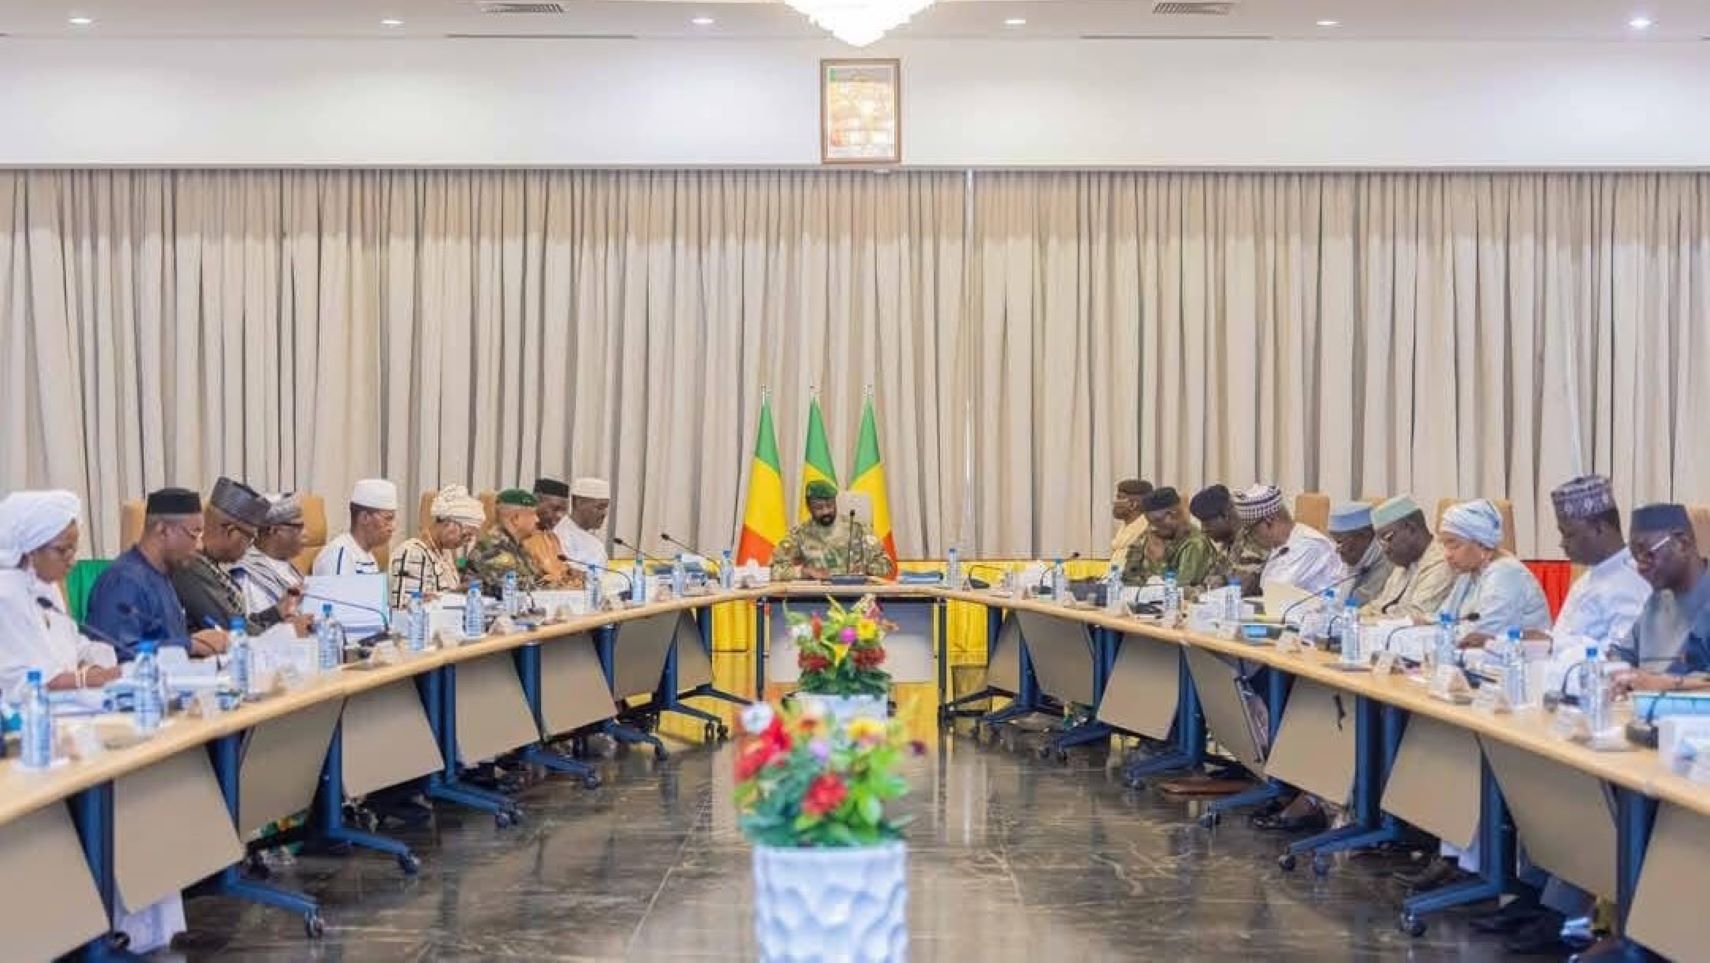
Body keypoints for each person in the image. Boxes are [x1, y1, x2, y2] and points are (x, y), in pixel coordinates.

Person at [1472, 477, 1651, 954]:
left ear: (1598, 526)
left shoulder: (1633, 579)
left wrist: (1555, 651)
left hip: (1601, 710)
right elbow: (1564, 639)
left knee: (1569, 792)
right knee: (1533, 779)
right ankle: (1534, 894)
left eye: (1568, 533)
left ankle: (1562, 911)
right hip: (1559, 698)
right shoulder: (1592, 574)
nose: (1561, 542)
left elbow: (1619, 659)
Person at [0, 490, 121, 695]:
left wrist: (97, 666)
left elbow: (76, 646)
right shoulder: (7, 593)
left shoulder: (46, 586)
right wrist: (85, 679)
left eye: (73, 550)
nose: (72, 561)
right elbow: (25, 680)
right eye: (62, 550)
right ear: (31, 548)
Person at [86, 487, 230, 659]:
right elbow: (114, 654)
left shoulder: (164, 575)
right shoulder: (123, 580)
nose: (199, 546)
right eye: (194, 534)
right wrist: (191, 645)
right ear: (162, 530)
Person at [173, 477, 302, 634]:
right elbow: (233, 632)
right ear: (231, 532)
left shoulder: (207, 562)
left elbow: (238, 623)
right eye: (250, 538)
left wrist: (278, 612)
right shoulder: (190, 565)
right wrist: (290, 632)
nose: (250, 547)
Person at [1611, 503, 1710, 692]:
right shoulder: (1656, 602)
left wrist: (1670, 685)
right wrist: (1618, 674)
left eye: (1647, 554)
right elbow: (1621, 657)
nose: (1640, 567)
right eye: (1635, 557)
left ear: (1682, 543)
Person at [1440, 499, 1552, 645]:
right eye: (1445, 545)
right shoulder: (1470, 572)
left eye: (1454, 545)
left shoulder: (1506, 574)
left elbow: (1480, 637)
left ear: (1480, 543)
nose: (1447, 554)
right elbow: (1443, 620)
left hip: (1517, 662)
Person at [771, 480, 896, 581]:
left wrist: (867, 568)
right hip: (814, 600)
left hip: (856, 598)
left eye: (830, 505)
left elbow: (886, 564)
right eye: (819, 508)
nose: (826, 511)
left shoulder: (858, 528)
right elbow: (773, 569)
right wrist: (802, 572)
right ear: (809, 507)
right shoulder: (799, 534)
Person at [1360, 495, 1456, 621]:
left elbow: (1414, 617)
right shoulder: (1405, 562)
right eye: (1381, 543)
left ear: (1411, 528)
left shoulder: (1440, 562)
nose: (1385, 549)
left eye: (1388, 538)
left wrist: (1365, 619)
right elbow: (1380, 604)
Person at [1234, 484, 1341, 595]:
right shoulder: (1281, 545)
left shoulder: (1308, 545)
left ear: (1269, 520)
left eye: (1251, 530)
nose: (1251, 536)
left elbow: (1276, 591)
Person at [388, 484, 483, 608]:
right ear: (449, 523)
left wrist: (458, 593)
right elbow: (404, 608)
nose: (466, 542)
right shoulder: (413, 553)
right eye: (465, 535)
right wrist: (452, 596)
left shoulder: (445, 554)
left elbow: (437, 595)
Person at [1121, 487, 1224, 588]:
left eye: (1156, 521)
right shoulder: (1155, 535)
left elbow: (1178, 590)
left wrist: (1159, 561)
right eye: (1149, 523)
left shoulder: (1195, 544)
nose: (1152, 527)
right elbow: (1127, 579)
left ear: (1172, 515)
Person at [1190, 484, 1268, 593]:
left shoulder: (1254, 539)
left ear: (1226, 515)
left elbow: (1240, 588)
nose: (1203, 530)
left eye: (1206, 523)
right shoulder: (1228, 543)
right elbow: (1210, 580)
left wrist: (1218, 583)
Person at [240, 493, 308, 615]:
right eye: (298, 527)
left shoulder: (285, 565)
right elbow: (263, 627)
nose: (305, 534)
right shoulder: (252, 576)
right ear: (274, 530)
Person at [313, 478, 398, 576]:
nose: (393, 527)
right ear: (365, 518)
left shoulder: (369, 556)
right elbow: (340, 591)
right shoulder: (338, 555)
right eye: (388, 519)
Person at [467, 489, 545, 595]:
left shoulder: (516, 546)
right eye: (533, 514)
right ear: (516, 518)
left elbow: (535, 580)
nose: (537, 520)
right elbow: (510, 587)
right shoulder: (493, 547)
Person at [1326, 503, 1393, 607]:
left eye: (1339, 542)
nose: (1337, 550)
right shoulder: (1356, 559)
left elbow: (1357, 606)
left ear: (1364, 536)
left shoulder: (1387, 562)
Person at [523, 477, 585, 589]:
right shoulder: (523, 537)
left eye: (564, 511)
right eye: (556, 509)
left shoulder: (552, 537)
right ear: (536, 504)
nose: (560, 516)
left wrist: (571, 573)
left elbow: (560, 569)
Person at [555, 476, 611, 573]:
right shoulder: (560, 534)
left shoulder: (594, 542)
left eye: (606, 507)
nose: (604, 514)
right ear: (578, 503)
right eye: (599, 507)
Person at [1109, 478, 1153, 570]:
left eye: (1119, 498)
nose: (1115, 503)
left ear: (1133, 504)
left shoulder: (1147, 533)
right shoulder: (1124, 529)